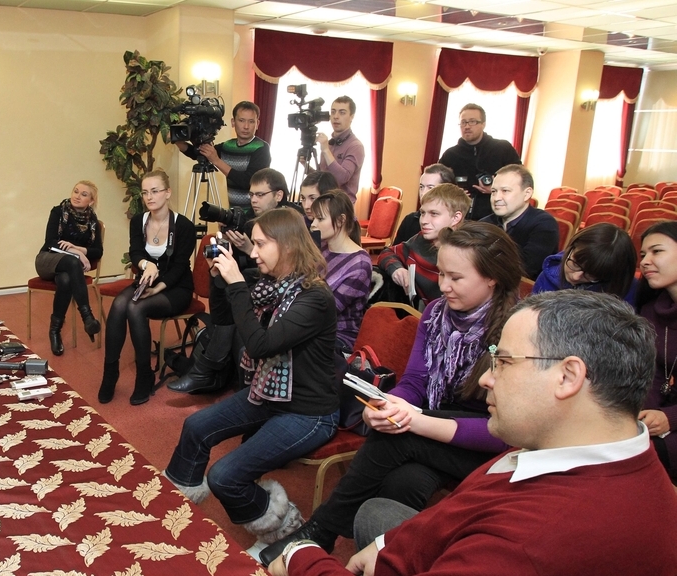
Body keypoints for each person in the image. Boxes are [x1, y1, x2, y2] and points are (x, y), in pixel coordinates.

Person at [268, 291, 677, 576]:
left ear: (568, 376)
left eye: (504, 362)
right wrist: (391, 546)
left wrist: (303, 558)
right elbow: (464, 507)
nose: (486, 380)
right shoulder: (583, 446)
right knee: (377, 514)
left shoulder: (533, 541)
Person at [261, 221, 523, 565]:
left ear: (492, 279)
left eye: (456, 278)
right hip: (439, 433)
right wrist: (385, 404)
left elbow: (506, 433)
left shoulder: (516, 332)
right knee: (402, 483)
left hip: (489, 446)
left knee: (398, 437)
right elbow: (415, 382)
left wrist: (414, 420)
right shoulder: (436, 314)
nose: (443, 286)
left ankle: (320, 531)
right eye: (441, 274)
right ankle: (386, 561)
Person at [164, 207, 343, 548]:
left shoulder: (315, 298)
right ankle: (176, 498)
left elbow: (260, 346)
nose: (253, 251)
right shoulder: (272, 287)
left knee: (224, 476)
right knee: (196, 427)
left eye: (261, 244)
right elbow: (225, 320)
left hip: (309, 412)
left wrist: (236, 285)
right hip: (269, 394)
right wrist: (221, 281)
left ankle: (284, 529)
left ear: (287, 246)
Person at [169, 168, 305, 395]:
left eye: (260, 194)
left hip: (275, 293)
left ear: (278, 195)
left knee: (234, 305)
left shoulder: (290, 223)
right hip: (254, 288)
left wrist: (249, 249)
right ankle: (206, 371)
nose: (253, 200)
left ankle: (205, 370)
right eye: (251, 194)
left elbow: (283, 271)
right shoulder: (249, 221)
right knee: (220, 278)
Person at [99, 169, 195, 405]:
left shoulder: (184, 226)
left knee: (135, 308)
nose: (149, 197)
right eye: (145, 192)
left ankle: (144, 376)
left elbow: (180, 267)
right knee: (119, 304)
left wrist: (158, 287)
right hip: (147, 282)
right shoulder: (138, 221)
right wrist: (146, 264)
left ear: (167, 193)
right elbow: (135, 252)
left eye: (154, 191)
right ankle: (110, 372)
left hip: (176, 287)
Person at [34, 180, 104, 355]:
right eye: (76, 191)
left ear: (91, 201)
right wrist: (77, 253)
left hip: (67, 269)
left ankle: (54, 331)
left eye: (84, 194)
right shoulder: (58, 211)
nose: (77, 196)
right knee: (73, 261)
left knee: (65, 280)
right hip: (47, 260)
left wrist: (80, 249)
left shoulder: (92, 221)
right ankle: (87, 317)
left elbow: (98, 251)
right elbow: (50, 242)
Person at [377, 184, 470, 307]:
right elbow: (387, 253)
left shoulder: (467, 252)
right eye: (422, 213)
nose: (423, 221)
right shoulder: (420, 240)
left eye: (434, 214)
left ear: (456, 218)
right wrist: (397, 269)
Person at [635, 220, 677, 482]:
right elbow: (652, 373)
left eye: (657, 251)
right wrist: (644, 416)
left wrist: (670, 418)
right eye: (642, 255)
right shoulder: (652, 310)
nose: (645, 261)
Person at [178, 101, 271, 210]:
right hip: (234, 211)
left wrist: (217, 161)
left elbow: (249, 182)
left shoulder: (261, 148)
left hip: (257, 213)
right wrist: (177, 140)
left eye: (251, 121)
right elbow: (198, 153)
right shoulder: (228, 146)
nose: (246, 126)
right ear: (233, 122)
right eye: (241, 120)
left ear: (257, 124)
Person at [439, 103, 521, 221]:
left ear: (483, 124)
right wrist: (453, 193)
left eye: (472, 121)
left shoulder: (503, 148)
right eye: (463, 122)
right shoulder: (450, 155)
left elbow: (520, 179)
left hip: (498, 217)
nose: (467, 126)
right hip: (459, 217)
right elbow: (438, 185)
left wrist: (496, 190)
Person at [310, 193, 370, 351]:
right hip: (312, 325)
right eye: (314, 218)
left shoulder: (359, 264)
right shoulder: (322, 248)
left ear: (341, 220)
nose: (313, 225)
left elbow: (327, 310)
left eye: (320, 219)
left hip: (339, 336)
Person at [479, 164, 559, 280]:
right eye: (493, 191)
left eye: (505, 191)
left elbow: (526, 268)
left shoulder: (544, 224)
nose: (496, 198)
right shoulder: (484, 224)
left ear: (527, 194)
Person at [532, 222, 637, 303]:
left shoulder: (625, 290)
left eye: (591, 275)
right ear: (571, 248)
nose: (575, 277)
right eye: (575, 264)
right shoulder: (549, 272)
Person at [315, 96, 365, 203]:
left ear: (351, 117)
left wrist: (326, 150)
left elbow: (342, 178)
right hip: (323, 202)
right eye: (333, 112)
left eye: (342, 113)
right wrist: (306, 167)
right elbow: (323, 176)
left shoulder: (356, 146)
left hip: (341, 206)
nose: (335, 117)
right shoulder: (330, 143)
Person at [392, 163, 455, 245]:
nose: (423, 193)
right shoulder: (410, 220)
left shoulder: (456, 225)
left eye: (430, 188)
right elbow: (395, 250)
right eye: (421, 187)